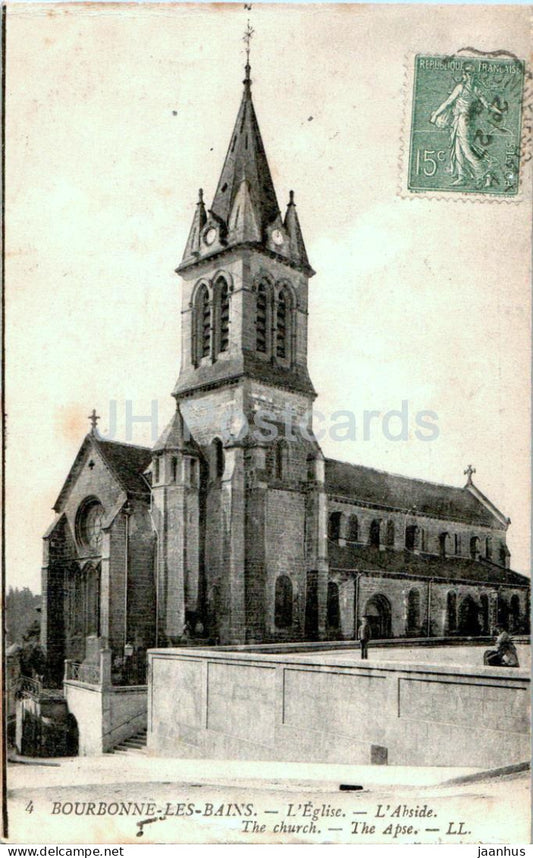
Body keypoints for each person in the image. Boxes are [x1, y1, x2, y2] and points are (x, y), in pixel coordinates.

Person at [429, 62, 502, 187]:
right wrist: (497, 110)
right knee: (458, 149)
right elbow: (488, 106)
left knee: (466, 150)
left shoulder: (462, 88)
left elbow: (448, 102)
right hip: (461, 120)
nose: (467, 75)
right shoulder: (475, 89)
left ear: (466, 75)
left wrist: (436, 115)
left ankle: (485, 173)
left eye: (468, 73)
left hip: (463, 121)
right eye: (468, 73)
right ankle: (462, 176)